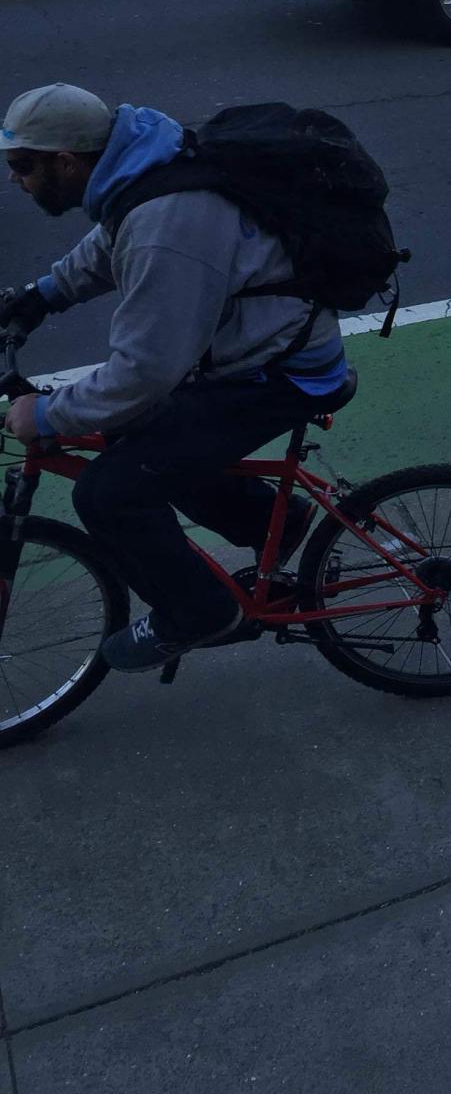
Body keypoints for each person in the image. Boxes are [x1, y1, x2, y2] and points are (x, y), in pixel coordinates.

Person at [1, 85, 351, 672]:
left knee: (110, 493)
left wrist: (44, 414)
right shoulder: (139, 174)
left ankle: (199, 613)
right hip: (252, 353)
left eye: (21, 165)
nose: (14, 179)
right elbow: (111, 241)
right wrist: (41, 296)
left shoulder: (169, 226)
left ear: (66, 161)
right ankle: (271, 520)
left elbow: (145, 371)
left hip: (282, 374)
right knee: (132, 438)